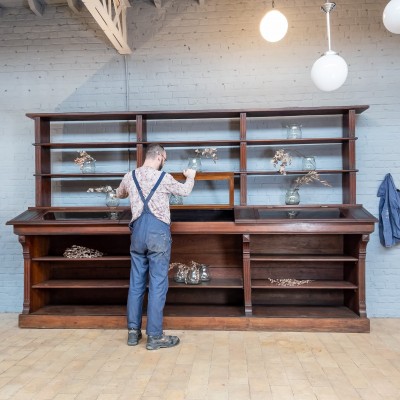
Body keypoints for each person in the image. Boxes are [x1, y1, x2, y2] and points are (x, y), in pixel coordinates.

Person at [115, 144, 196, 350]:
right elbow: (185, 192)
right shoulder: (164, 178)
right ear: (160, 157)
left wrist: (130, 193)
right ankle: (154, 336)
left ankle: (133, 333)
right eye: (165, 159)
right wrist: (191, 175)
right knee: (158, 283)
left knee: (136, 283)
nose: (164, 163)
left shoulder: (129, 176)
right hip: (158, 233)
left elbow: (119, 194)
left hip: (137, 232)